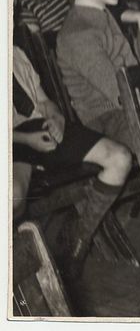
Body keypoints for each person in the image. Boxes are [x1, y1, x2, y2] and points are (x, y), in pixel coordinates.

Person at [12, 45, 132, 286]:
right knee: (12, 196)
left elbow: (44, 102)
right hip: (12, 139)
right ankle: (18, 270)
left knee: (120, 158)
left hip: (40, 128)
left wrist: (56, 119)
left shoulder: (15, 52)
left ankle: (80, 238)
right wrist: (26, 140)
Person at [56, 0, 138, 149]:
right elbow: (119, 92)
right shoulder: (78, 31)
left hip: (126, 111)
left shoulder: (101, 13)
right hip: (105, 120)